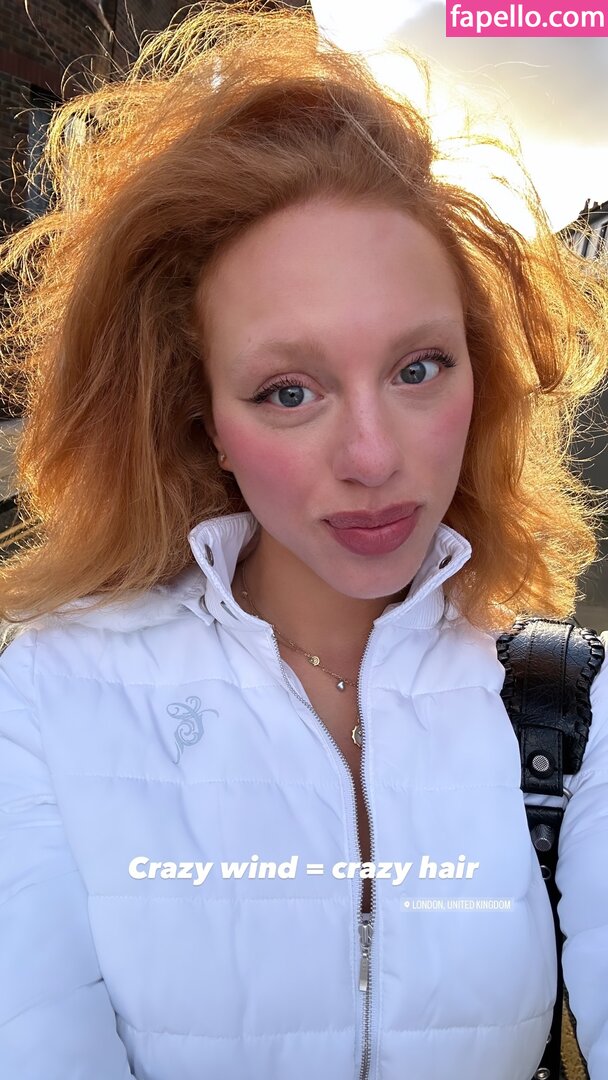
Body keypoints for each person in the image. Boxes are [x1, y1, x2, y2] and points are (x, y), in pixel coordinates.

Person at [0, 3, 607, 1078]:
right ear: (202, 418)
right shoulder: (51, 694)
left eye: (418, 368)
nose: (372, 456)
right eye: (288, 390)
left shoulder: (568, 709)